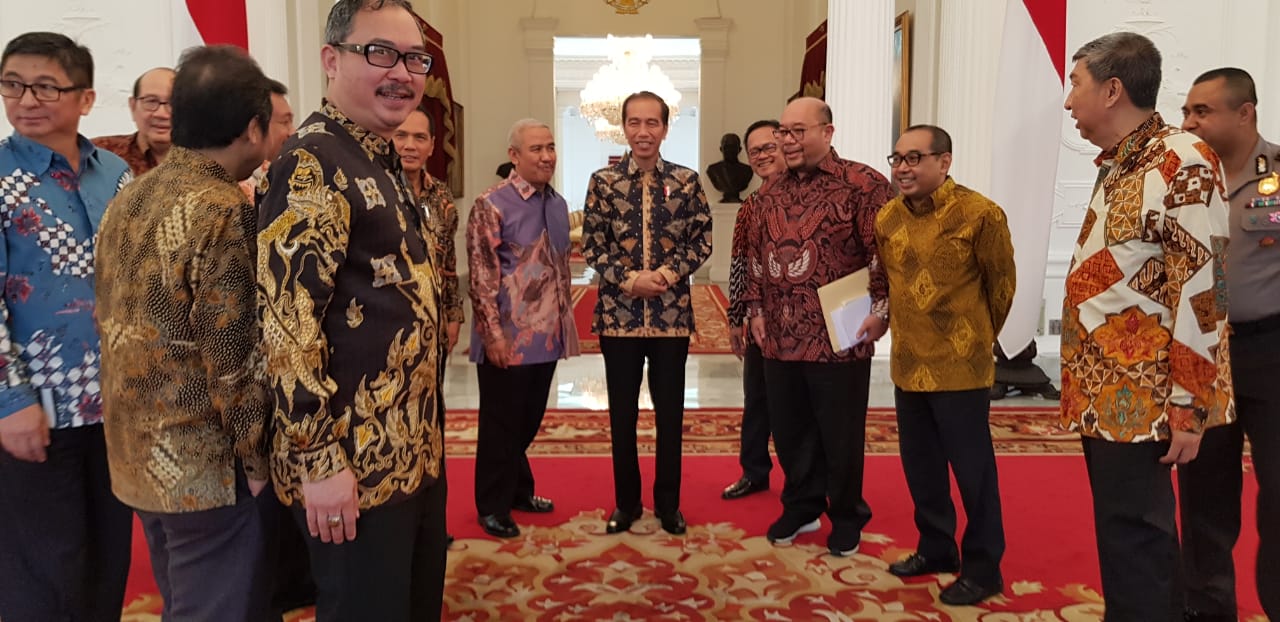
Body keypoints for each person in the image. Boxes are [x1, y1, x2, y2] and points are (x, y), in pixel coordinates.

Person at [256, 1, 448, 620]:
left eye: (414, 58)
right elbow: (287, 323)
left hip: (409, 449)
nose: (402, 72)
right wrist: (319, 461)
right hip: (352, 467)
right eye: (380, 53)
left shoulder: (379, 154)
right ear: (331, 59)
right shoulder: (315, 160)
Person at [95, 44, 274, 622]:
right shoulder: (220, 208)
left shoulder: (130, 194)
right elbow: (232, 357)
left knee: (183, 600)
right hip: (200, 464)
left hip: (133, 448)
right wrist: (258, 460)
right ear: (253, 127)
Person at [1061, 32, 1233, 621]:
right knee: (1122, 535)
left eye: (1075, 84)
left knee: (1140, 539)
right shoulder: (1122, 162)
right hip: (1107, 390)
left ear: (1112, 89)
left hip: (1151, 395)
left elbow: (1205, 284)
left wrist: (1191, 403)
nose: (1068, 102)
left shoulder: (1180, 159)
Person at [0, 31, 134, 621]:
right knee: (46, 572)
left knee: (110, 560)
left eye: (45, 86)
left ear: (85, 98)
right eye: (12, 84)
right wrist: (9, 401)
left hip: (120, 404)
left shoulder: (118, 175)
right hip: (38, 406)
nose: (26, 99)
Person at [743, 96, 892, 558]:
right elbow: (754, 259)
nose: (786, 141)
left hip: (839, 337)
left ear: (827, 132)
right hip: (780, 338)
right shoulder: (768, 193)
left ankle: (847, 514)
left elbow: (884, 253)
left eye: (797, 131)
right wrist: (755, 311)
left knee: (840, 434)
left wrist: (882, 310)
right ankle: (801, 504)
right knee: (789, 431)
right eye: (782, 132)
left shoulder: (863, 185)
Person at [876, 124, 1015, 605]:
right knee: (922, 467)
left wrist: (975, 339)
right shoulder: (887, 219)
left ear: (944, 161)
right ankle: (936, 549)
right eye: (896, 158)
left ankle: (984, 568)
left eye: (914, 158)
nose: (903, 168)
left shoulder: (981, 215)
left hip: (961, 367)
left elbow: (1002, 288)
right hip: (908, 364)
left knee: (973, 472)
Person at [582, 90, 712, 536]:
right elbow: (593, 244)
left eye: (651, 123)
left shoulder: (688, 181)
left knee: (670, 412)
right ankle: (627, 503)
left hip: (671, 316)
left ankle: (669, 504)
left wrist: (668, 273)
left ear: (665, 128)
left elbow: (702, 240)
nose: (643, 132)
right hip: (618, 318)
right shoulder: (603, 183)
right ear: (624, 127)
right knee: (622, 414)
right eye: (634, 123)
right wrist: (627, 278)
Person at [1178, 67, 1279, 622]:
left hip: (1271, 351)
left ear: (1246, 113)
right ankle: (1206, 607)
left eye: (1202, 111)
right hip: (1206, 353)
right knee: (1204, 491)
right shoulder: (1188, 179)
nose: (1189, 121)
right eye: (1188, 110)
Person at [466, 118, 579, 539]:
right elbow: (481, 277)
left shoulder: (558, 203)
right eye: (536, 149)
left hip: (547, 335)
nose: (547, 155)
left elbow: (561, 268)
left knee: (528, 419)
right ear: (514, 155)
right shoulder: (491, 204)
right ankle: (492, 505)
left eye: (550, 147)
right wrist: (492, 334)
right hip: (508, 338)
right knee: (501, 423)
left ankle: (519, 490)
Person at [722, 119, 784, 501]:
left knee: (794, 407)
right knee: (756, 398)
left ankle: (804, 479)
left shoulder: (804, 198)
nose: (761, 156)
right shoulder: (750, 206)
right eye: (755, 150)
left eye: (769, 147)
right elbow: (739, 263)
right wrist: (735, 317)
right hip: (760, 319)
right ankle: (754, 471)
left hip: (801, 322)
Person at [394, 106, 462, 353]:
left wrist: (453, 314)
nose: (409, 145)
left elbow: (449, 261)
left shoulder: (441, 195)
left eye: (419, 137)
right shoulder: (375, 194)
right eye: (401, 136)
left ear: (432, 146)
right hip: (392, 326)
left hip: (435, 321)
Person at [93, 66, 174, 176]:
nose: (161, 114)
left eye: (172, 103)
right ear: (133, 106)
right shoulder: (97, 155)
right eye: (151, 101)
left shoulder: (202, 162)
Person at [706, 132, 753, 203]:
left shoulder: (747, 170)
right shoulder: (713, 170)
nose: (730, 151)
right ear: (721, 149)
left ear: (739, 149)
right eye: (726, 147)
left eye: (733, 147)